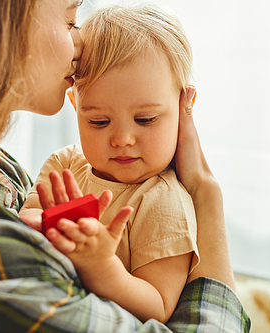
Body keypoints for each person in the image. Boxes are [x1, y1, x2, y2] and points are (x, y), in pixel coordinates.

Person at [0, 1, 250, 333]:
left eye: (144, 119)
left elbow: (157, 302)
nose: (80, 42)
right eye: (68, 19)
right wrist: (207, 196)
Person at [20, 4, 199, 323]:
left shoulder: (162, 202)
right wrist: (44, 221)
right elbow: (28, 213)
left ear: (185, 105)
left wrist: (104, 269)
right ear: (76, 105)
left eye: (145, 119)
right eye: (99, 121)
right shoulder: (65, 164)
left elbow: (159, 307)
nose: (123, 139)